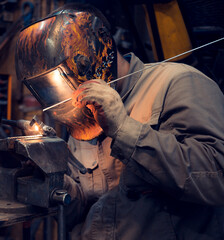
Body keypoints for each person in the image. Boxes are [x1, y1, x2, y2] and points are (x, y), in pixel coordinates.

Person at [15, 3, 224, 240]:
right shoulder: (81, 116)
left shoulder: (177, 83)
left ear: (98, 44)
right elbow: (80, 206)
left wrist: (125, 130)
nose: (61, 97)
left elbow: (217, 180)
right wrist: (46, 178)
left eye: (65, 76)